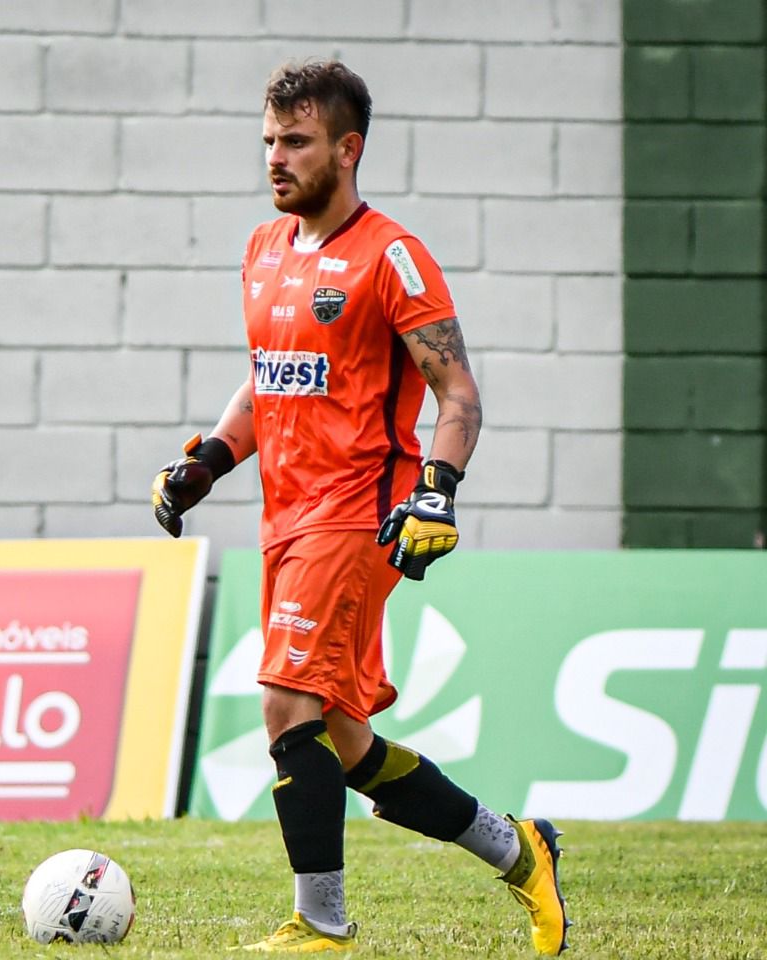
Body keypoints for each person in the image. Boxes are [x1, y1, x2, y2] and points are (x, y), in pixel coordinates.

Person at [151, 60, 569, 954]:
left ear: (349, 148)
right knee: (344, 742)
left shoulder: (394, 257)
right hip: (286, 518)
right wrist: (210, 459)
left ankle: (321, 923)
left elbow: (458, 396)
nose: (276, 158)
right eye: (268, 140)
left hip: (359, 515)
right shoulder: (265, 250)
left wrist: (436, 491)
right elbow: (267, 380)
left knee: (284, 700)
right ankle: (520, 850)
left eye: (296, 141)